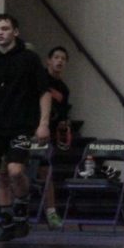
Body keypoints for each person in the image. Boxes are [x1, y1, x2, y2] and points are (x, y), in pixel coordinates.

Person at [0, 13, 52, 242]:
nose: (0, 32)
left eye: (5, 28)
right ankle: (8, 223)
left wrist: (43, 124)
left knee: (15, 170)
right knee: (1, 175)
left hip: (21, 125)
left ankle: (22, 210)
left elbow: (43, 92)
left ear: (15, 32)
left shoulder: (29, 59)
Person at [40, 46, 72, 229]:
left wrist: (62, 125)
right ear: (48, 60)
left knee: (46, 174)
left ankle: (51, 213)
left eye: (63, 58)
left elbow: (61, 115)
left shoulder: (64, 90)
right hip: (28, 132)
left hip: (47, 137)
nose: (59, 61)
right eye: (56, 57)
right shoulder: (39, 79)